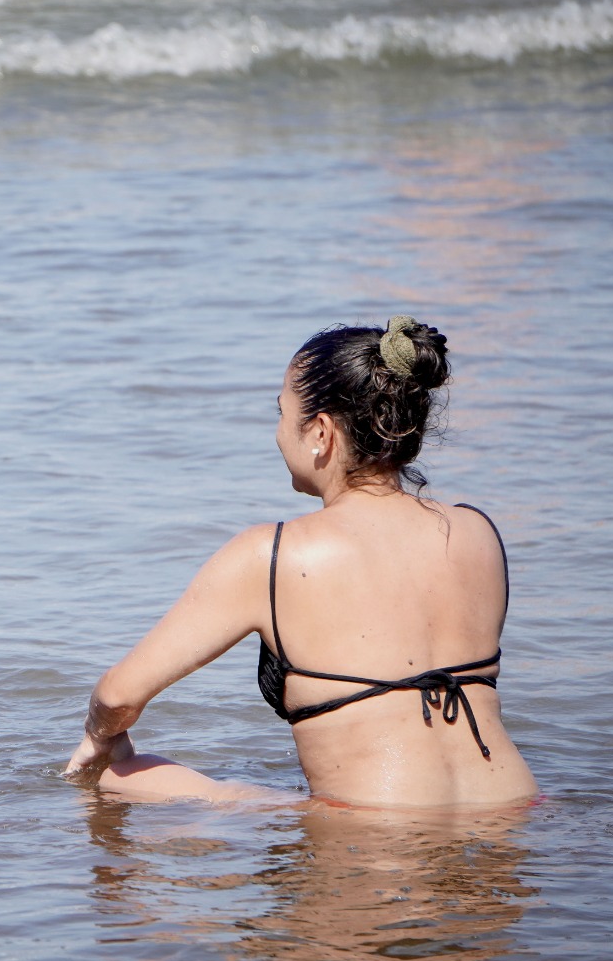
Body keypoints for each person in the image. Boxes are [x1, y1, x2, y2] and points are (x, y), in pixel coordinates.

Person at [64, 316, 537, 809]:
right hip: (514, 809)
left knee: (117, 775)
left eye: (281, 412)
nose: (276, 432)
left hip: (376, 826)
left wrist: (101, 739)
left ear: (320, 433)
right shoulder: (476, 530)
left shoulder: (272, 555)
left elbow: (118, 696)